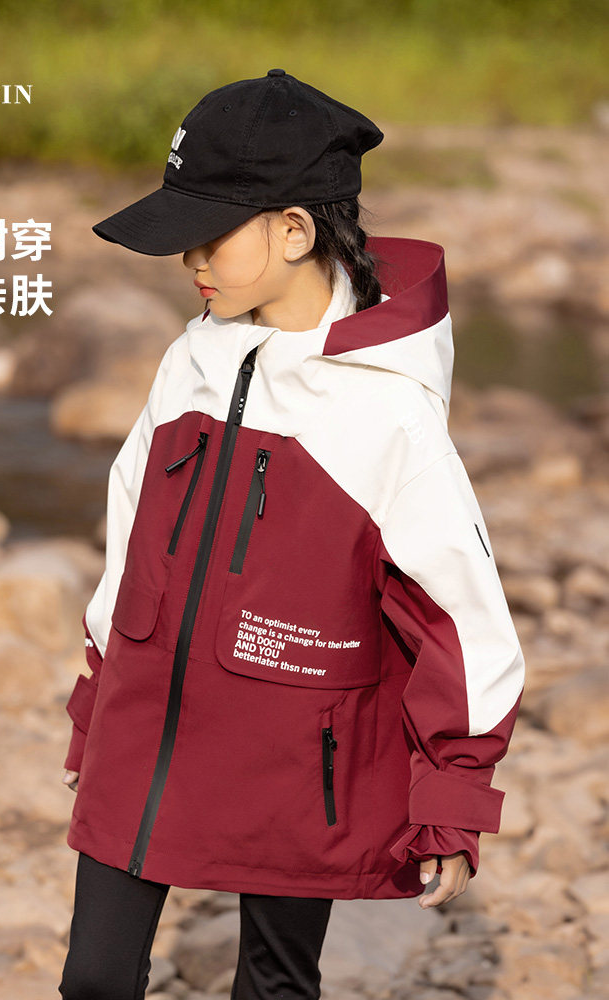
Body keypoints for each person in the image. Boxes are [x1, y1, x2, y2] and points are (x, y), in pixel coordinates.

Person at [58, 69, 526, 1000]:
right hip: (147, 731)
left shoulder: (388, 412)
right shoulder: (189, 359)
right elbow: (129, 538)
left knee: (274, 986)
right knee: (94, 981)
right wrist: (96, 713)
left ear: (295, 231)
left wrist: (453, 801)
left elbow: (460, 621)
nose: (189, 258)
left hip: (300, 753)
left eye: (210, 233)